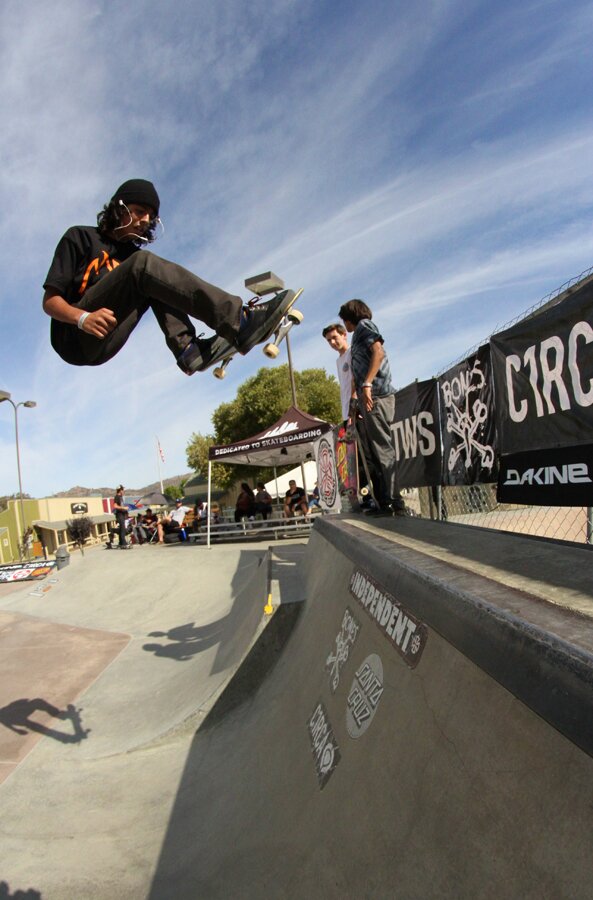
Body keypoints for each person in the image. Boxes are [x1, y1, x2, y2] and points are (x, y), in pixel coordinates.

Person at [42, 179, 291, 375]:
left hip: (105, 342)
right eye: (139, 212)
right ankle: (239, 321)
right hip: (72, 335)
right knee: (144, 266)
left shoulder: (134, 260)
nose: (145, 221)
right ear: (119, 208)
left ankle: (187, 349)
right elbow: (50, 302)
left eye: (150, 217)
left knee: (156, 278)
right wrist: (83, 318)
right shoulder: (81, 237)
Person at [338, 299, 407, 517]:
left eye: (344, 321)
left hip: (376, 395)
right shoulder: (359, 332)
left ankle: (396, 503)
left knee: (382, 449)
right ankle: (385, 502)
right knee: (375, 453)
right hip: (368, 399)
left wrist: (367, 383)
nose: (345, 326)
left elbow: (378, 352)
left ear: (349, 317)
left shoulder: (364, 326)